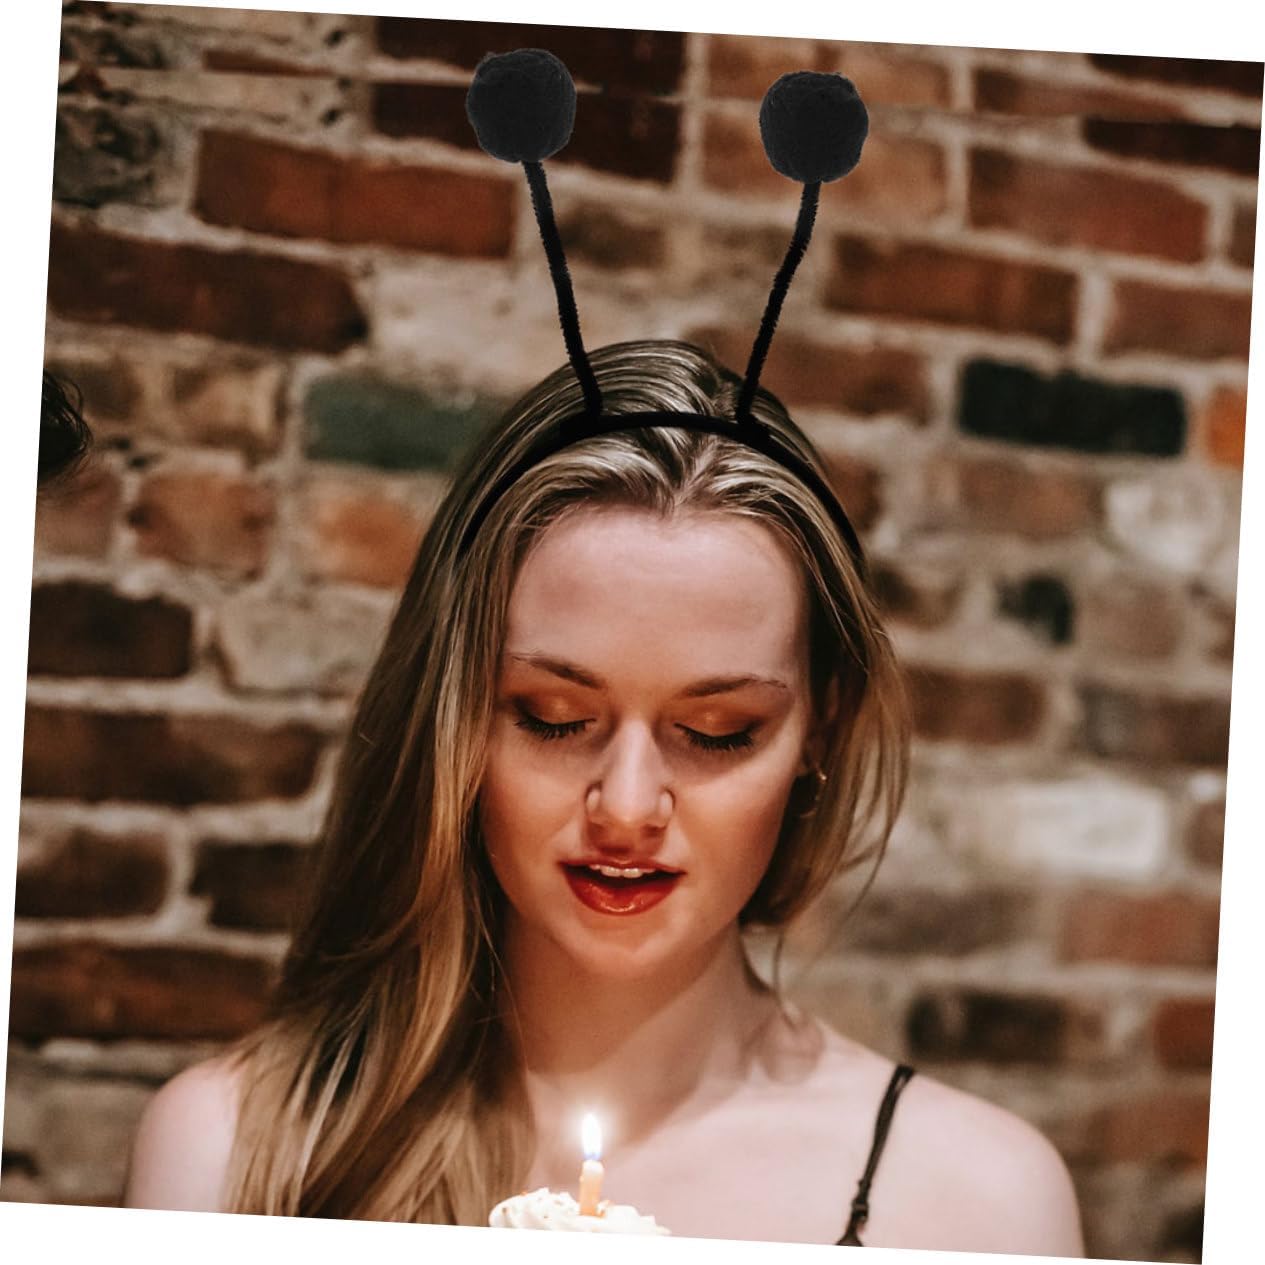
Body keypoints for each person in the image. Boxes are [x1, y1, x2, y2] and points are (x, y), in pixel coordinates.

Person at [123, 338, 1085, 1255]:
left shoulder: (979, 1203)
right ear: (454, 713)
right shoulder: (231, 1153)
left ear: (820, 731)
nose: (625, 808)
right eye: (552, 716)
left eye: (718, 731)